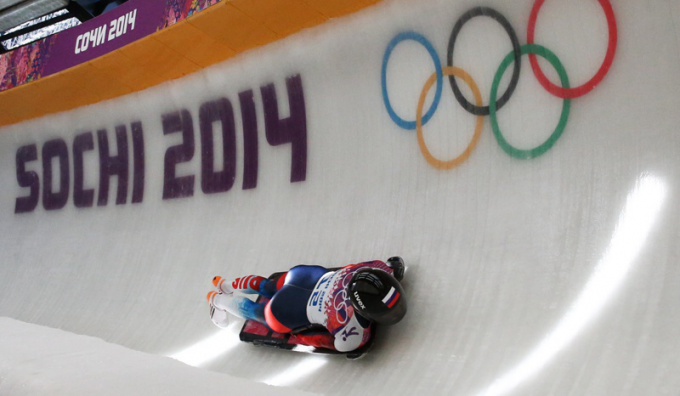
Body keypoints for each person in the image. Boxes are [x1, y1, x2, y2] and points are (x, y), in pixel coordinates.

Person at [207, 257, 407, 352]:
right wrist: (297, 335)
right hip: (285, 310)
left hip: (303, 276)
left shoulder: (373, 267)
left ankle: (226, 284)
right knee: (258, 313)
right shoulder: (351, 331)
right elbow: (322, 341)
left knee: (268, 285)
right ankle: (217, 300)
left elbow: (392, 265)